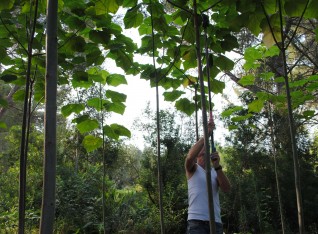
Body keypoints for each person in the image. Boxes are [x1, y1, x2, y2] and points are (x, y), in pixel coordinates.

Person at [185, 120, 231, 234]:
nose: (204, 150)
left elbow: (227, 189)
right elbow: (190, 157)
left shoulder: (215, 171)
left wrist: (217, 166)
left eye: (206, 149)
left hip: (215, 222)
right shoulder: (193, 168)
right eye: (201, 151)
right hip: (196, 222)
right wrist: (207, 133)